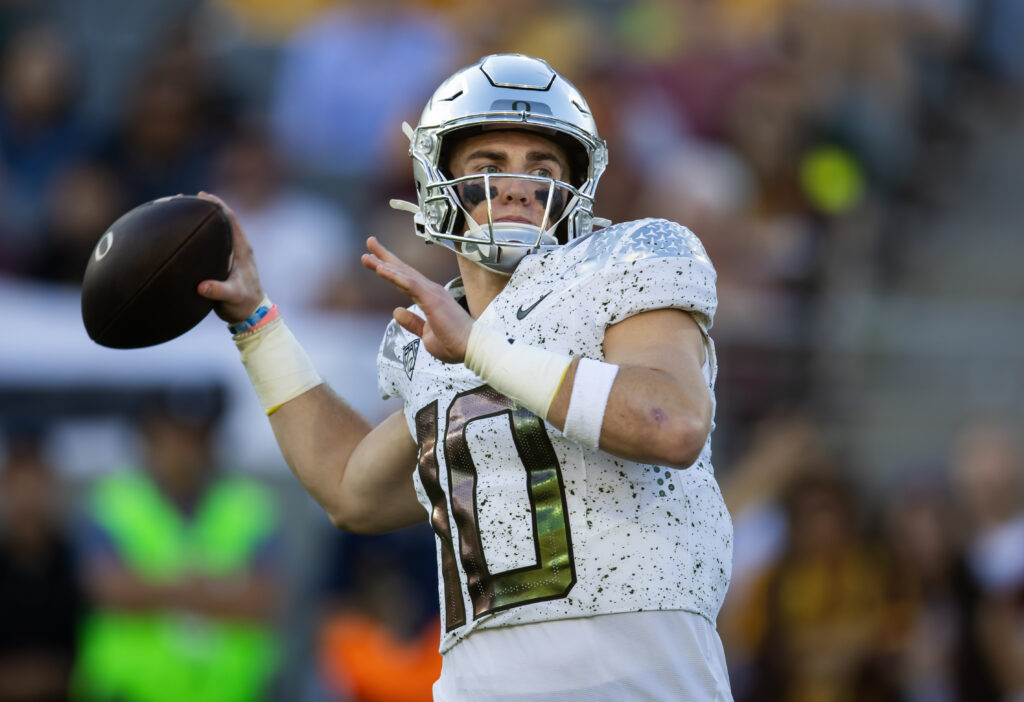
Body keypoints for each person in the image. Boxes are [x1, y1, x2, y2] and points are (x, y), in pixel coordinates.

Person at [198, 53, 734, 701]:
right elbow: (349, 489)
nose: (518, 186)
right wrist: (256, 322)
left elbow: (669, 423)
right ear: (435, 183)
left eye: (543, 168)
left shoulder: (619, 265)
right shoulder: (435, 342)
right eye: (489, 166)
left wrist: (478, 347)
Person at [72, 387, 283, 702]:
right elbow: (108, 588)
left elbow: (266, 598)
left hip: (231, 692)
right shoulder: (113, 502)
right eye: (173, 437)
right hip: (130, 692)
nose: (185, 452)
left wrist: (155, 587)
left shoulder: (249, 505)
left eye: (196, 439)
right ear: (148, 440)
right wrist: (211, 589)